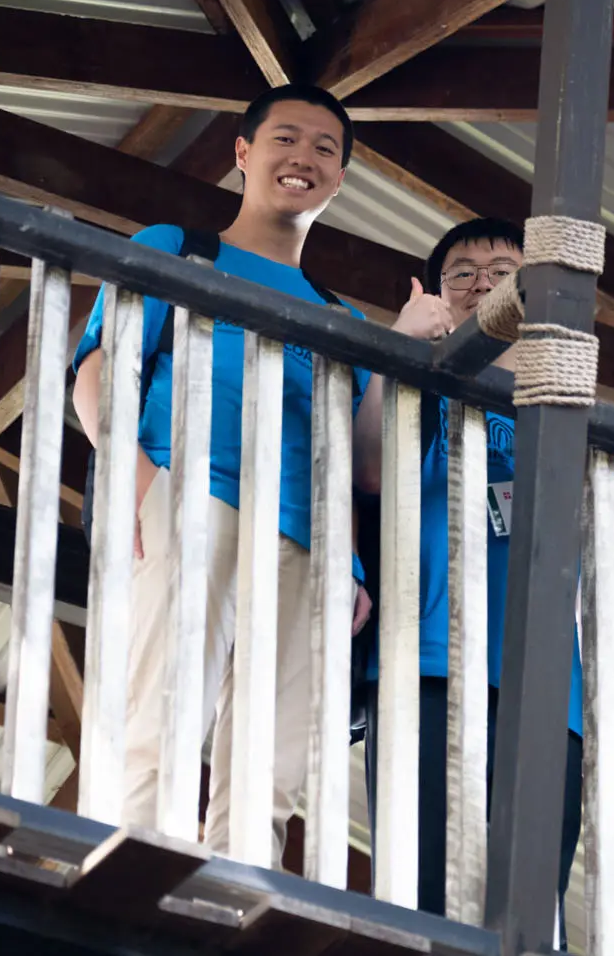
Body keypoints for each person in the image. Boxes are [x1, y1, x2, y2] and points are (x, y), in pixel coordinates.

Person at [71, 84, 373, 862]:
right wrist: (142, 485)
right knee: (164, 701)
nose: (303, 158)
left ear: (340, 179)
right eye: (285, 139)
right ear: (243, 153)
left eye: (325, 148)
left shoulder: (344, 320)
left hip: (306, 538)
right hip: (187, 492)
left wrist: (349, 564)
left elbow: (345, 456)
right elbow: (100, 372)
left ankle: (243, 888)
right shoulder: (179, 247)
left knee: (276, 748)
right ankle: (138, 865)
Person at [351, 218, 614, 932]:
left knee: (529, 907)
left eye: (505, 273)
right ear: (437, 292)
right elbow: (370, 468)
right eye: (463, 273)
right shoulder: (419, 384)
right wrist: (402, 346)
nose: (483, 284)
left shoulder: (566, 413)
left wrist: (577, 420)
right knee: (423, 891)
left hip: (545, 686)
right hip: (427, 665)